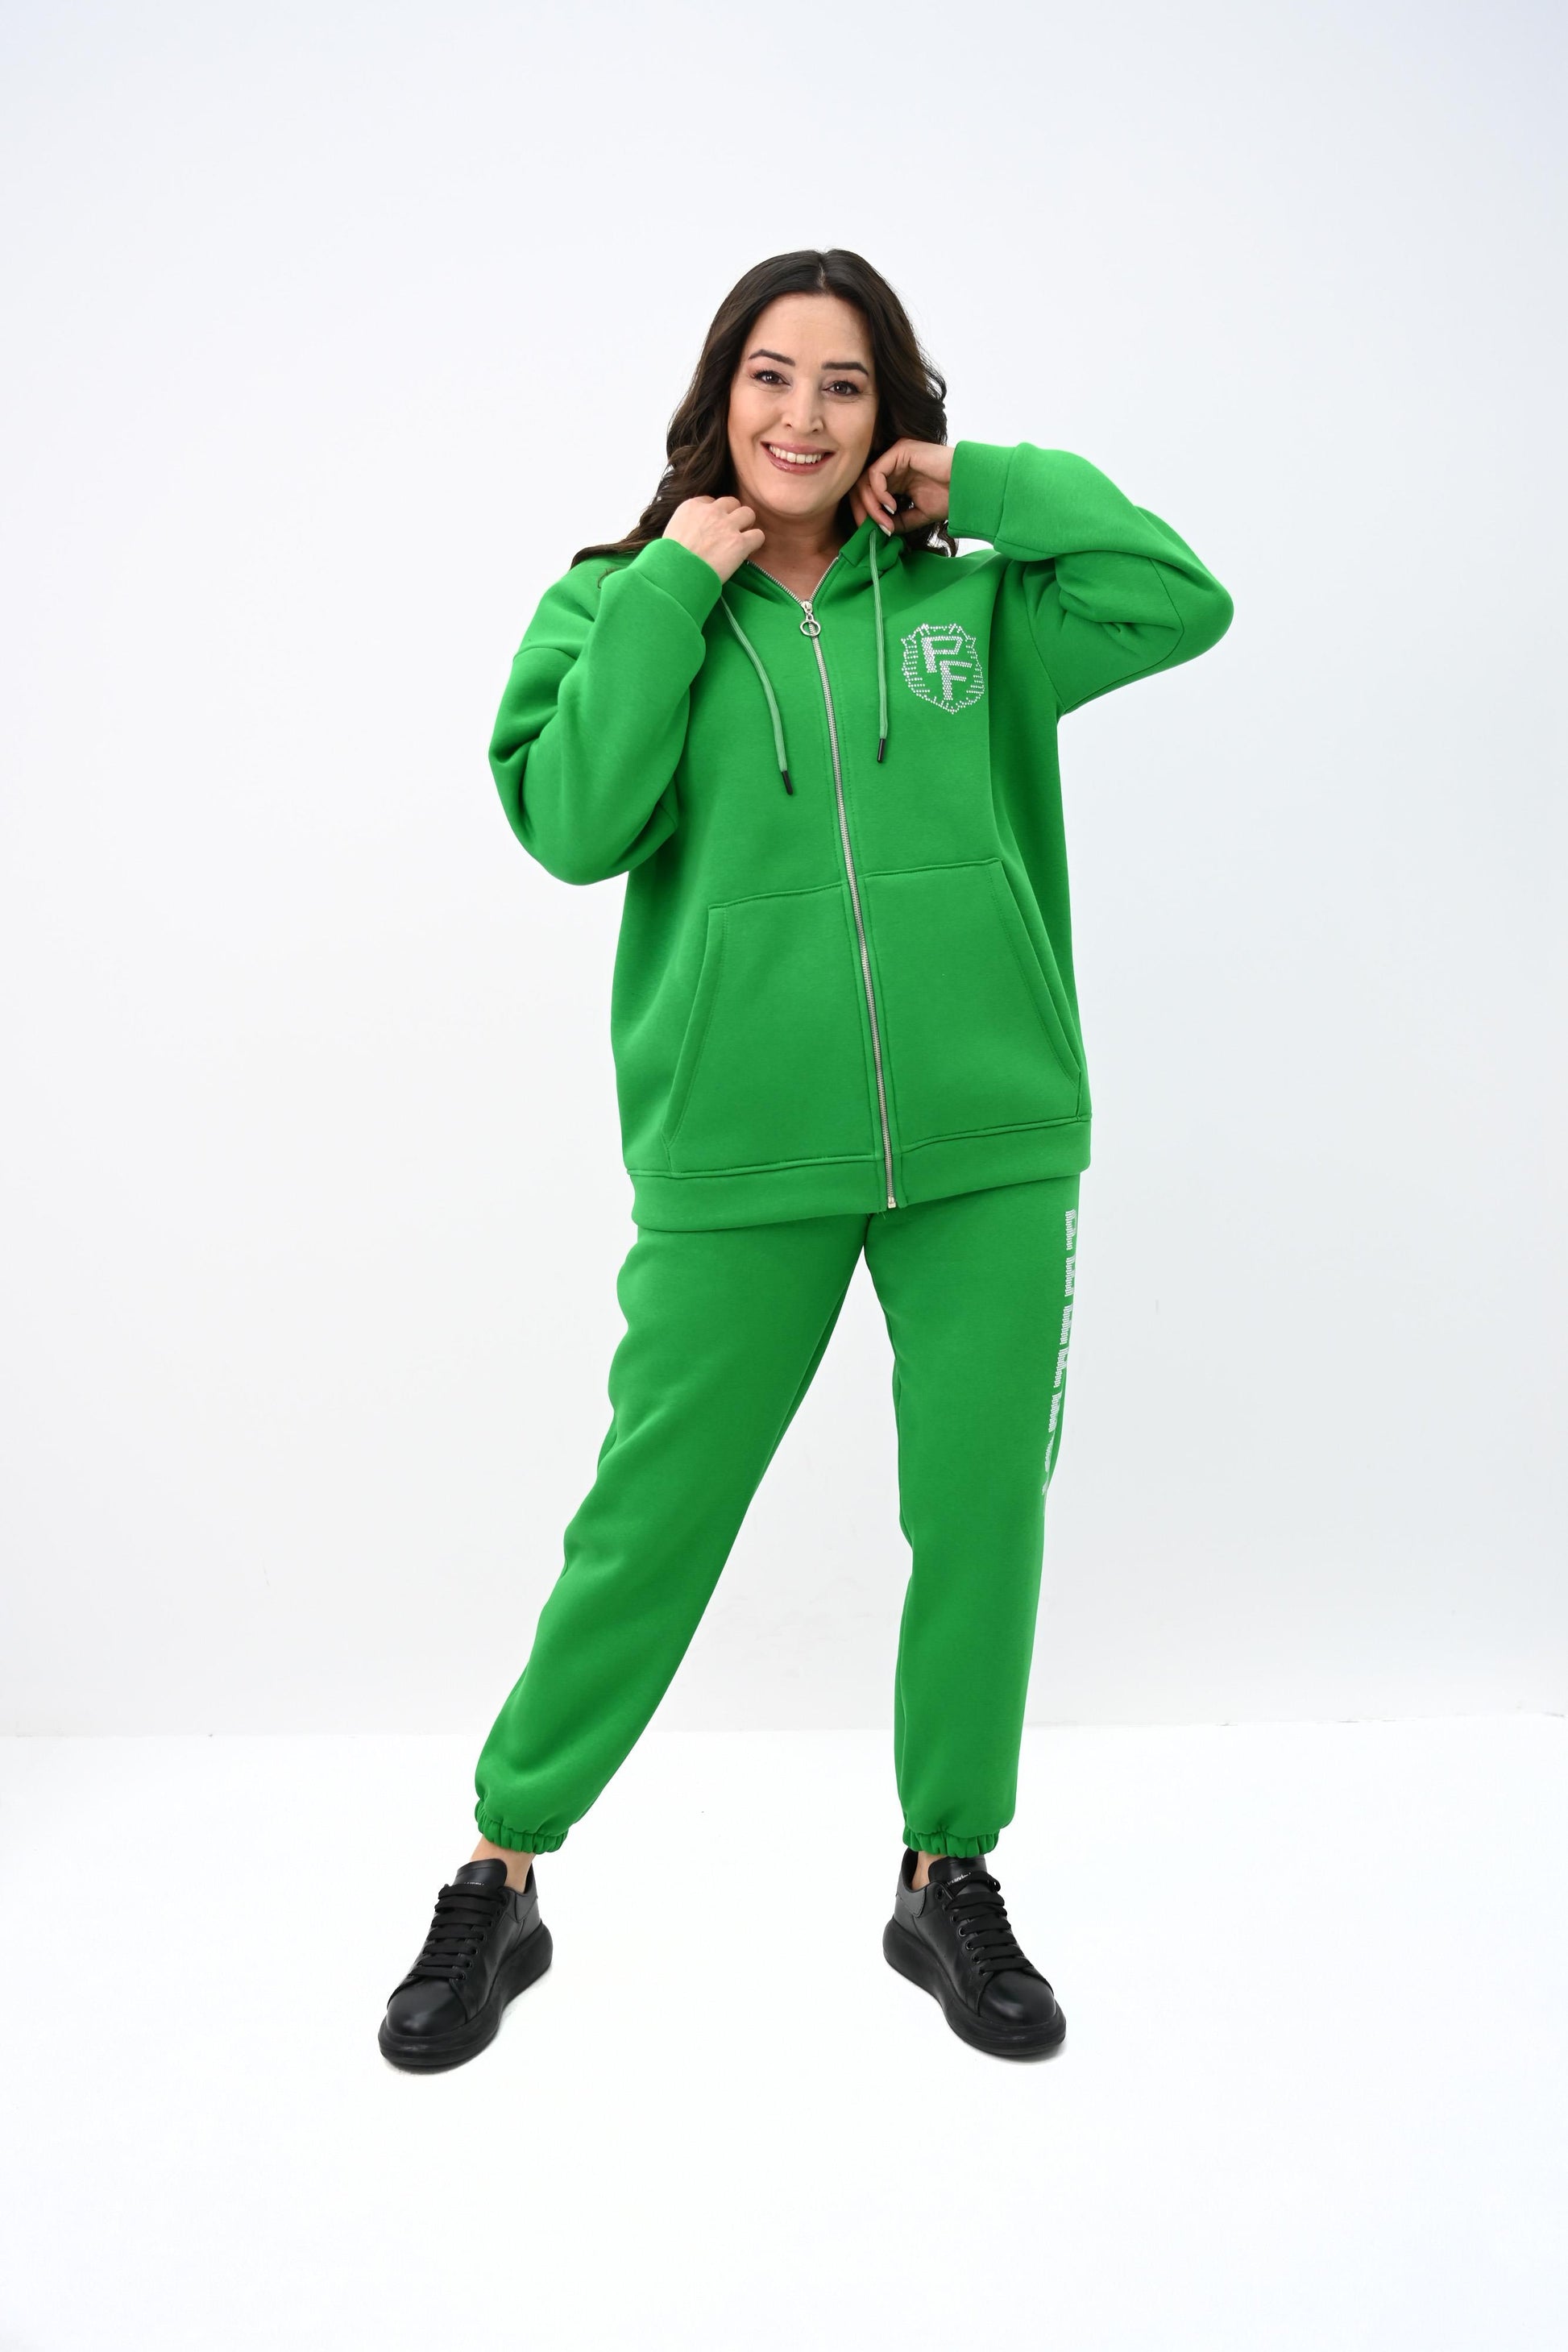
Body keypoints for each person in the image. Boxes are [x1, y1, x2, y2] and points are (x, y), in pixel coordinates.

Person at [378, 247, 1234, 2072]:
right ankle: (502, 1863)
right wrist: (671, 591)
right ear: (721, 394)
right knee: (652, 1521)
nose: (802, 413)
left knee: (981, 1513)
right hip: (736, 1153)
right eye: (773, 375)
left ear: (886, 414)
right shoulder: (616, 601)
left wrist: (980, 483)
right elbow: (570, 822)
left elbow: (1181, 596)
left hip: (989, 1139)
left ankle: (946, 1870)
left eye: (846, 383)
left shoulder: (972, 601)